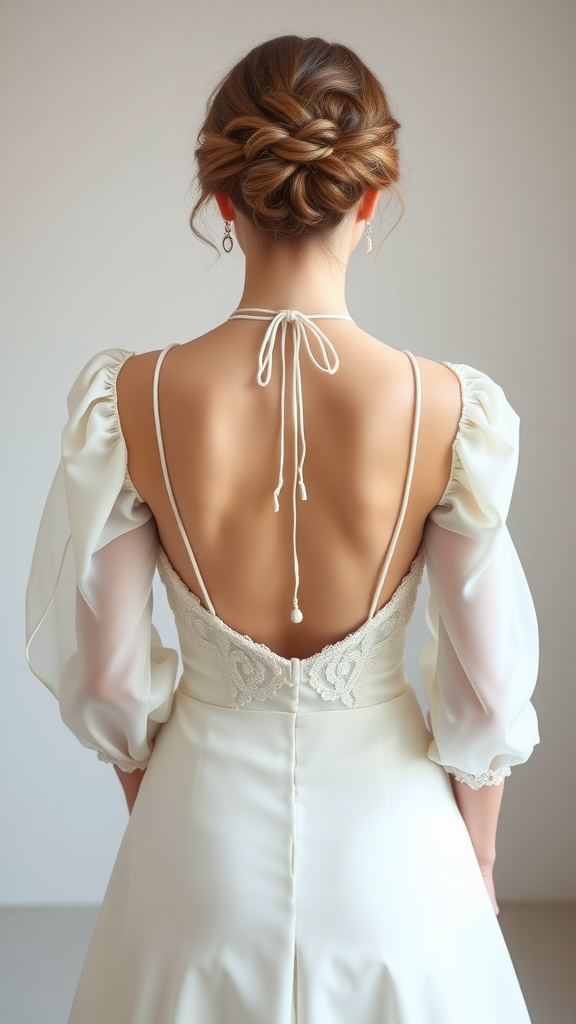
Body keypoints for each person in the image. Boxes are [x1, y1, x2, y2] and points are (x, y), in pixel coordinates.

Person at [25, 34, 540, 1024]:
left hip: (196, 846)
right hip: (398, 862)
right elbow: (484, 696)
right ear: (370, 199)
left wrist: (158, 805)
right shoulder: (449, 410)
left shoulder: (132, 397)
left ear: (223, 198)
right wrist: (472, 855)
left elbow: (105, 679)